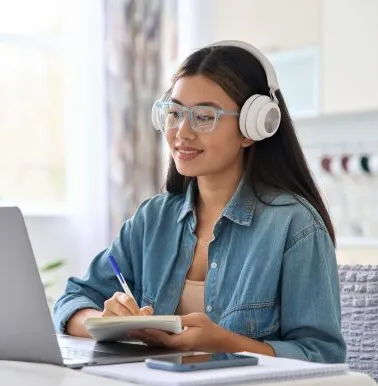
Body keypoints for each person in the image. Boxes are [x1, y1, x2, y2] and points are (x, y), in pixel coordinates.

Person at [53, 40, 346, 363]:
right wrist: (102, 323)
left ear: (253, 128)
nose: (182, 132)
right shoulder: (153, 219)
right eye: (175, 113)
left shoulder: (294, 225)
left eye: (204, 116)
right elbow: (72, 300)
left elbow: (323, 356)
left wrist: (228, 343)